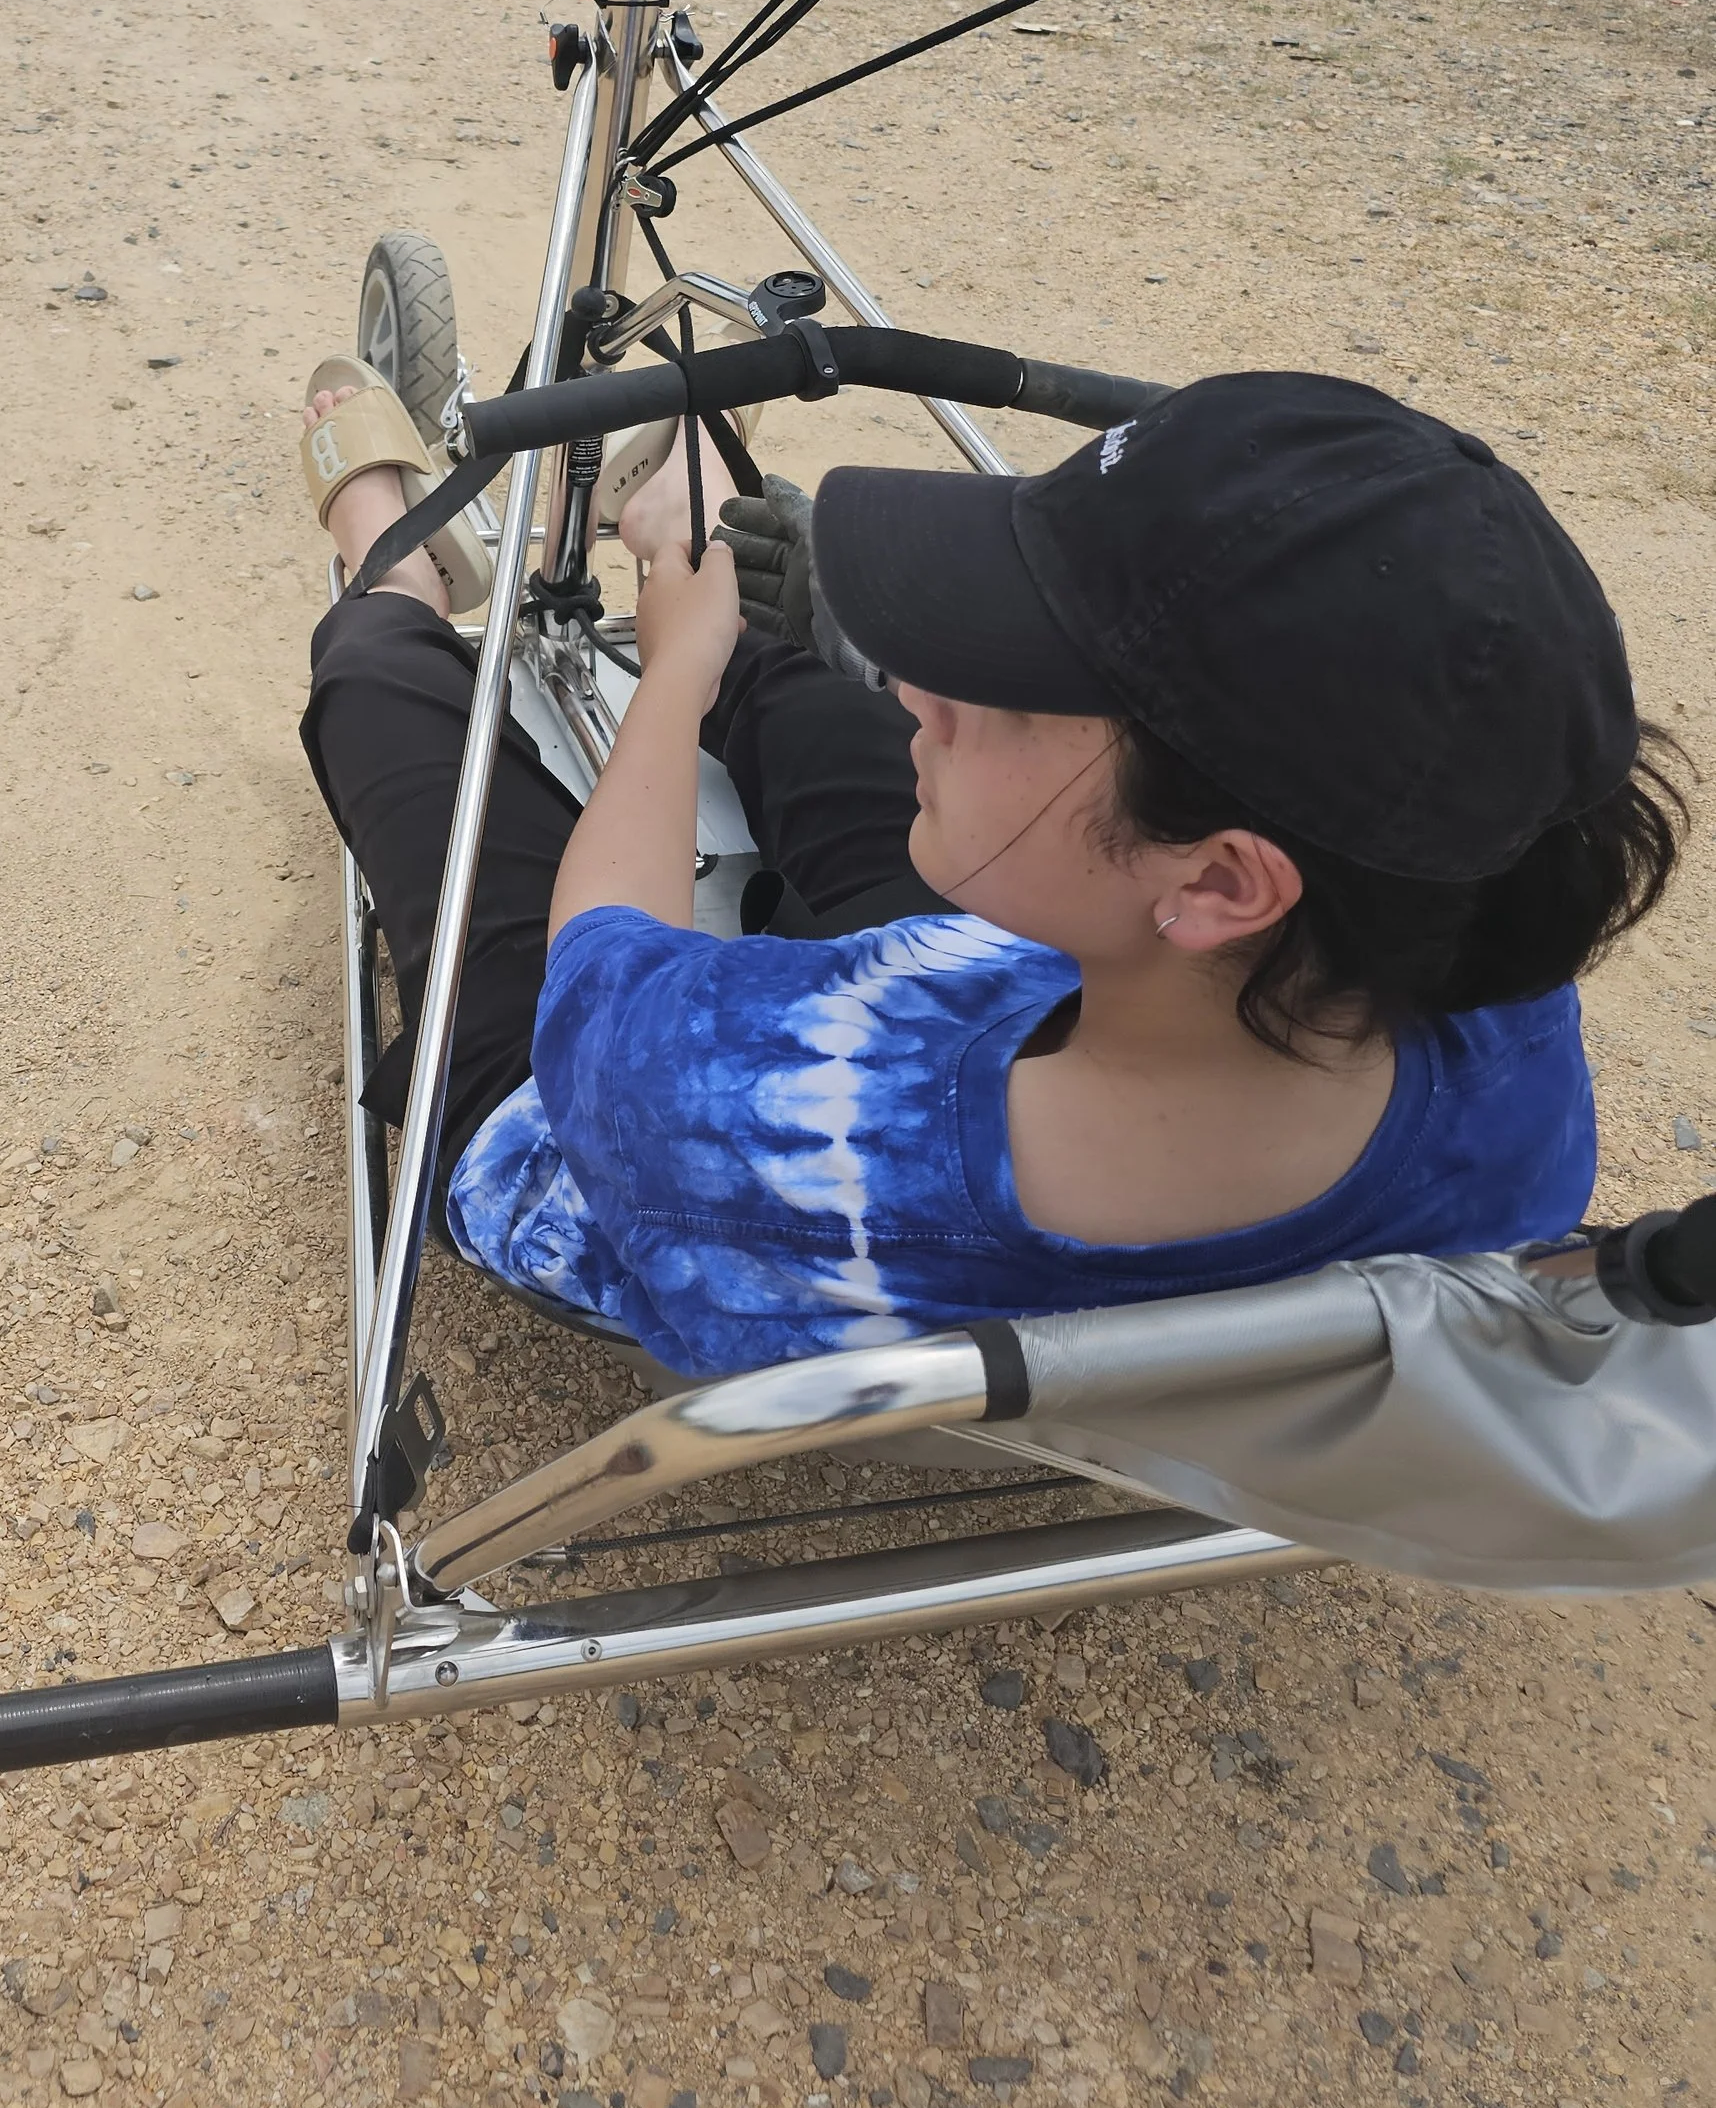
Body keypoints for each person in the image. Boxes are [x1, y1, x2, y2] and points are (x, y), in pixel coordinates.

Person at [298, 363, 1684, 1382]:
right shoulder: (1484, 967)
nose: (919, 682)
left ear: (1219, 883)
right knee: (872, 756)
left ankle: (398, 563)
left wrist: (677, 673)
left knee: (381, 685)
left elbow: (602, 965)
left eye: (1013, 694)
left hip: (601, 1129)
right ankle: (724, 588)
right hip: (1091, 1027)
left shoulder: (780, 1118)